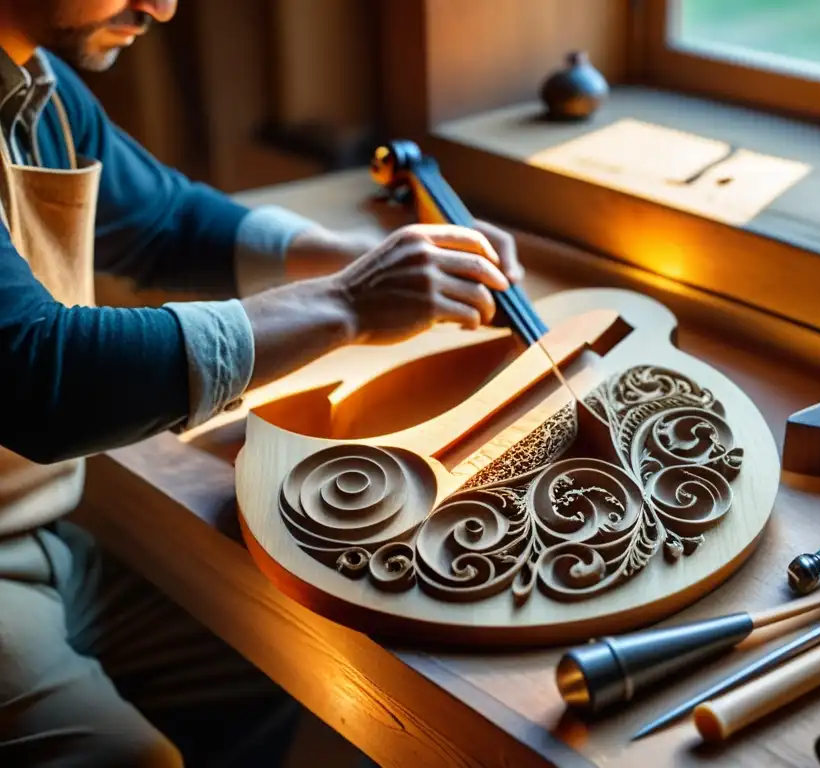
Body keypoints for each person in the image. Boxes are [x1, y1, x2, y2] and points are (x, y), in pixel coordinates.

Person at [0, 1, 524, 765]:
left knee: (267, 662)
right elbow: (42, 377)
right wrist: (348, 304)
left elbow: (163, 222)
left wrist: (351, 261)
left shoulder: (36, 82)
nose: (161, 5)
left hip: (44, 540)